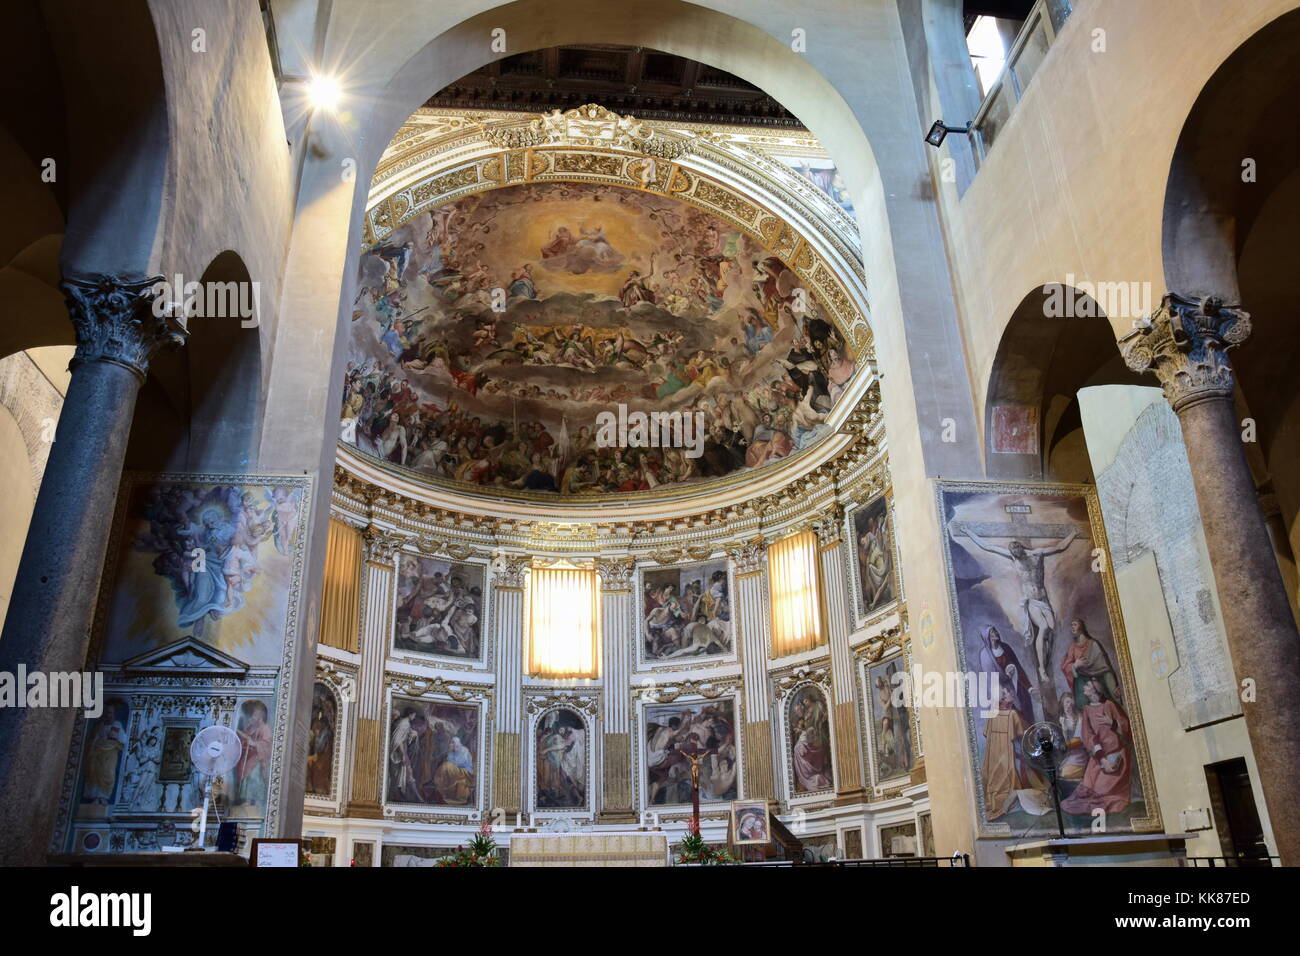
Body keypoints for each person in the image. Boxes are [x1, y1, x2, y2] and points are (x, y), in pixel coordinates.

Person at [957, 523, 1080, 682]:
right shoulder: (1013, 558)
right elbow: (988, 547)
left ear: (1022, 550)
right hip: (1031, 601)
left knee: (1051, 629)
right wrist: (968, 531)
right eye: (1013, 553)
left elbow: (1061, 546)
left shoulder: (1037, 554)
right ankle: (1041, 669)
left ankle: (1046, 661)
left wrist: (1074, 534)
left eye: (1017, 552)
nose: (1015, 555)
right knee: (1043, 627)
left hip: (1044, 600)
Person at [1059, 678, 1134, 815]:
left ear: (1094, 689)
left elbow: (1127, 729)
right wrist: (1101, 758)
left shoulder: (1109, 705)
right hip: (1098, 758)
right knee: (1085, 795)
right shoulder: (1087, 710)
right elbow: (1088, 735)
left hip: (1117, 756)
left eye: (1087, 685)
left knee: (1103, 795)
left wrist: (1113, 723)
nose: (1084, 688)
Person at [1060, 618, 1120, 711]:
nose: (1072, 627)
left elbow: (1104, 668)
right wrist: (1075, 665)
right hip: (1081, 684)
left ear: (1082, 627)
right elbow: (1065, 667)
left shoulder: (1093, 644)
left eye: (1074, 624)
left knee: (1107, 704)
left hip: (1098, 681)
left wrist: (1113, 686)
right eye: (1071, 625)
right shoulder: (1072, 647)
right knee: (1083, 706)